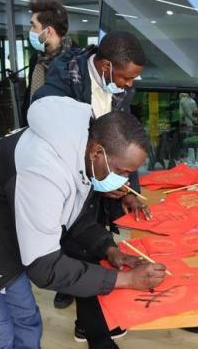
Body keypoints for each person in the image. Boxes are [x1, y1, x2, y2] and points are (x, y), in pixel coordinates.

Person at [0, 96, 167, 348]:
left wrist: (109, 250)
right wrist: (125, 280)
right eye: (122, 171)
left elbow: (72, 215)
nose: (125, 180)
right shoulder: (43, 171)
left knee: (26, 319)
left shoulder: (81, 149)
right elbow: (44, 267)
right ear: (97, 152)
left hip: (2, 234)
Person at [33, 32, 148, 344]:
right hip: (69, 181)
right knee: (79, 252)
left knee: (97, 247)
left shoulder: (121, 87)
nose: (130, 85)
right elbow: (60, 144)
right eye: (127, 77)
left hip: (95, 178)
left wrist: (127, 190)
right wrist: (94, 177)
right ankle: (93, 325)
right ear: (107, 66)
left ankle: (90, 320)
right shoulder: (60, 87)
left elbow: (124, 140)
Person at [21, 0, 75, 125]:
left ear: (48, 31)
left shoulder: (76, 61)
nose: (31, 31)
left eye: (34, 26)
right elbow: (31, 94)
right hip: (33, 128)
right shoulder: (36, 59)